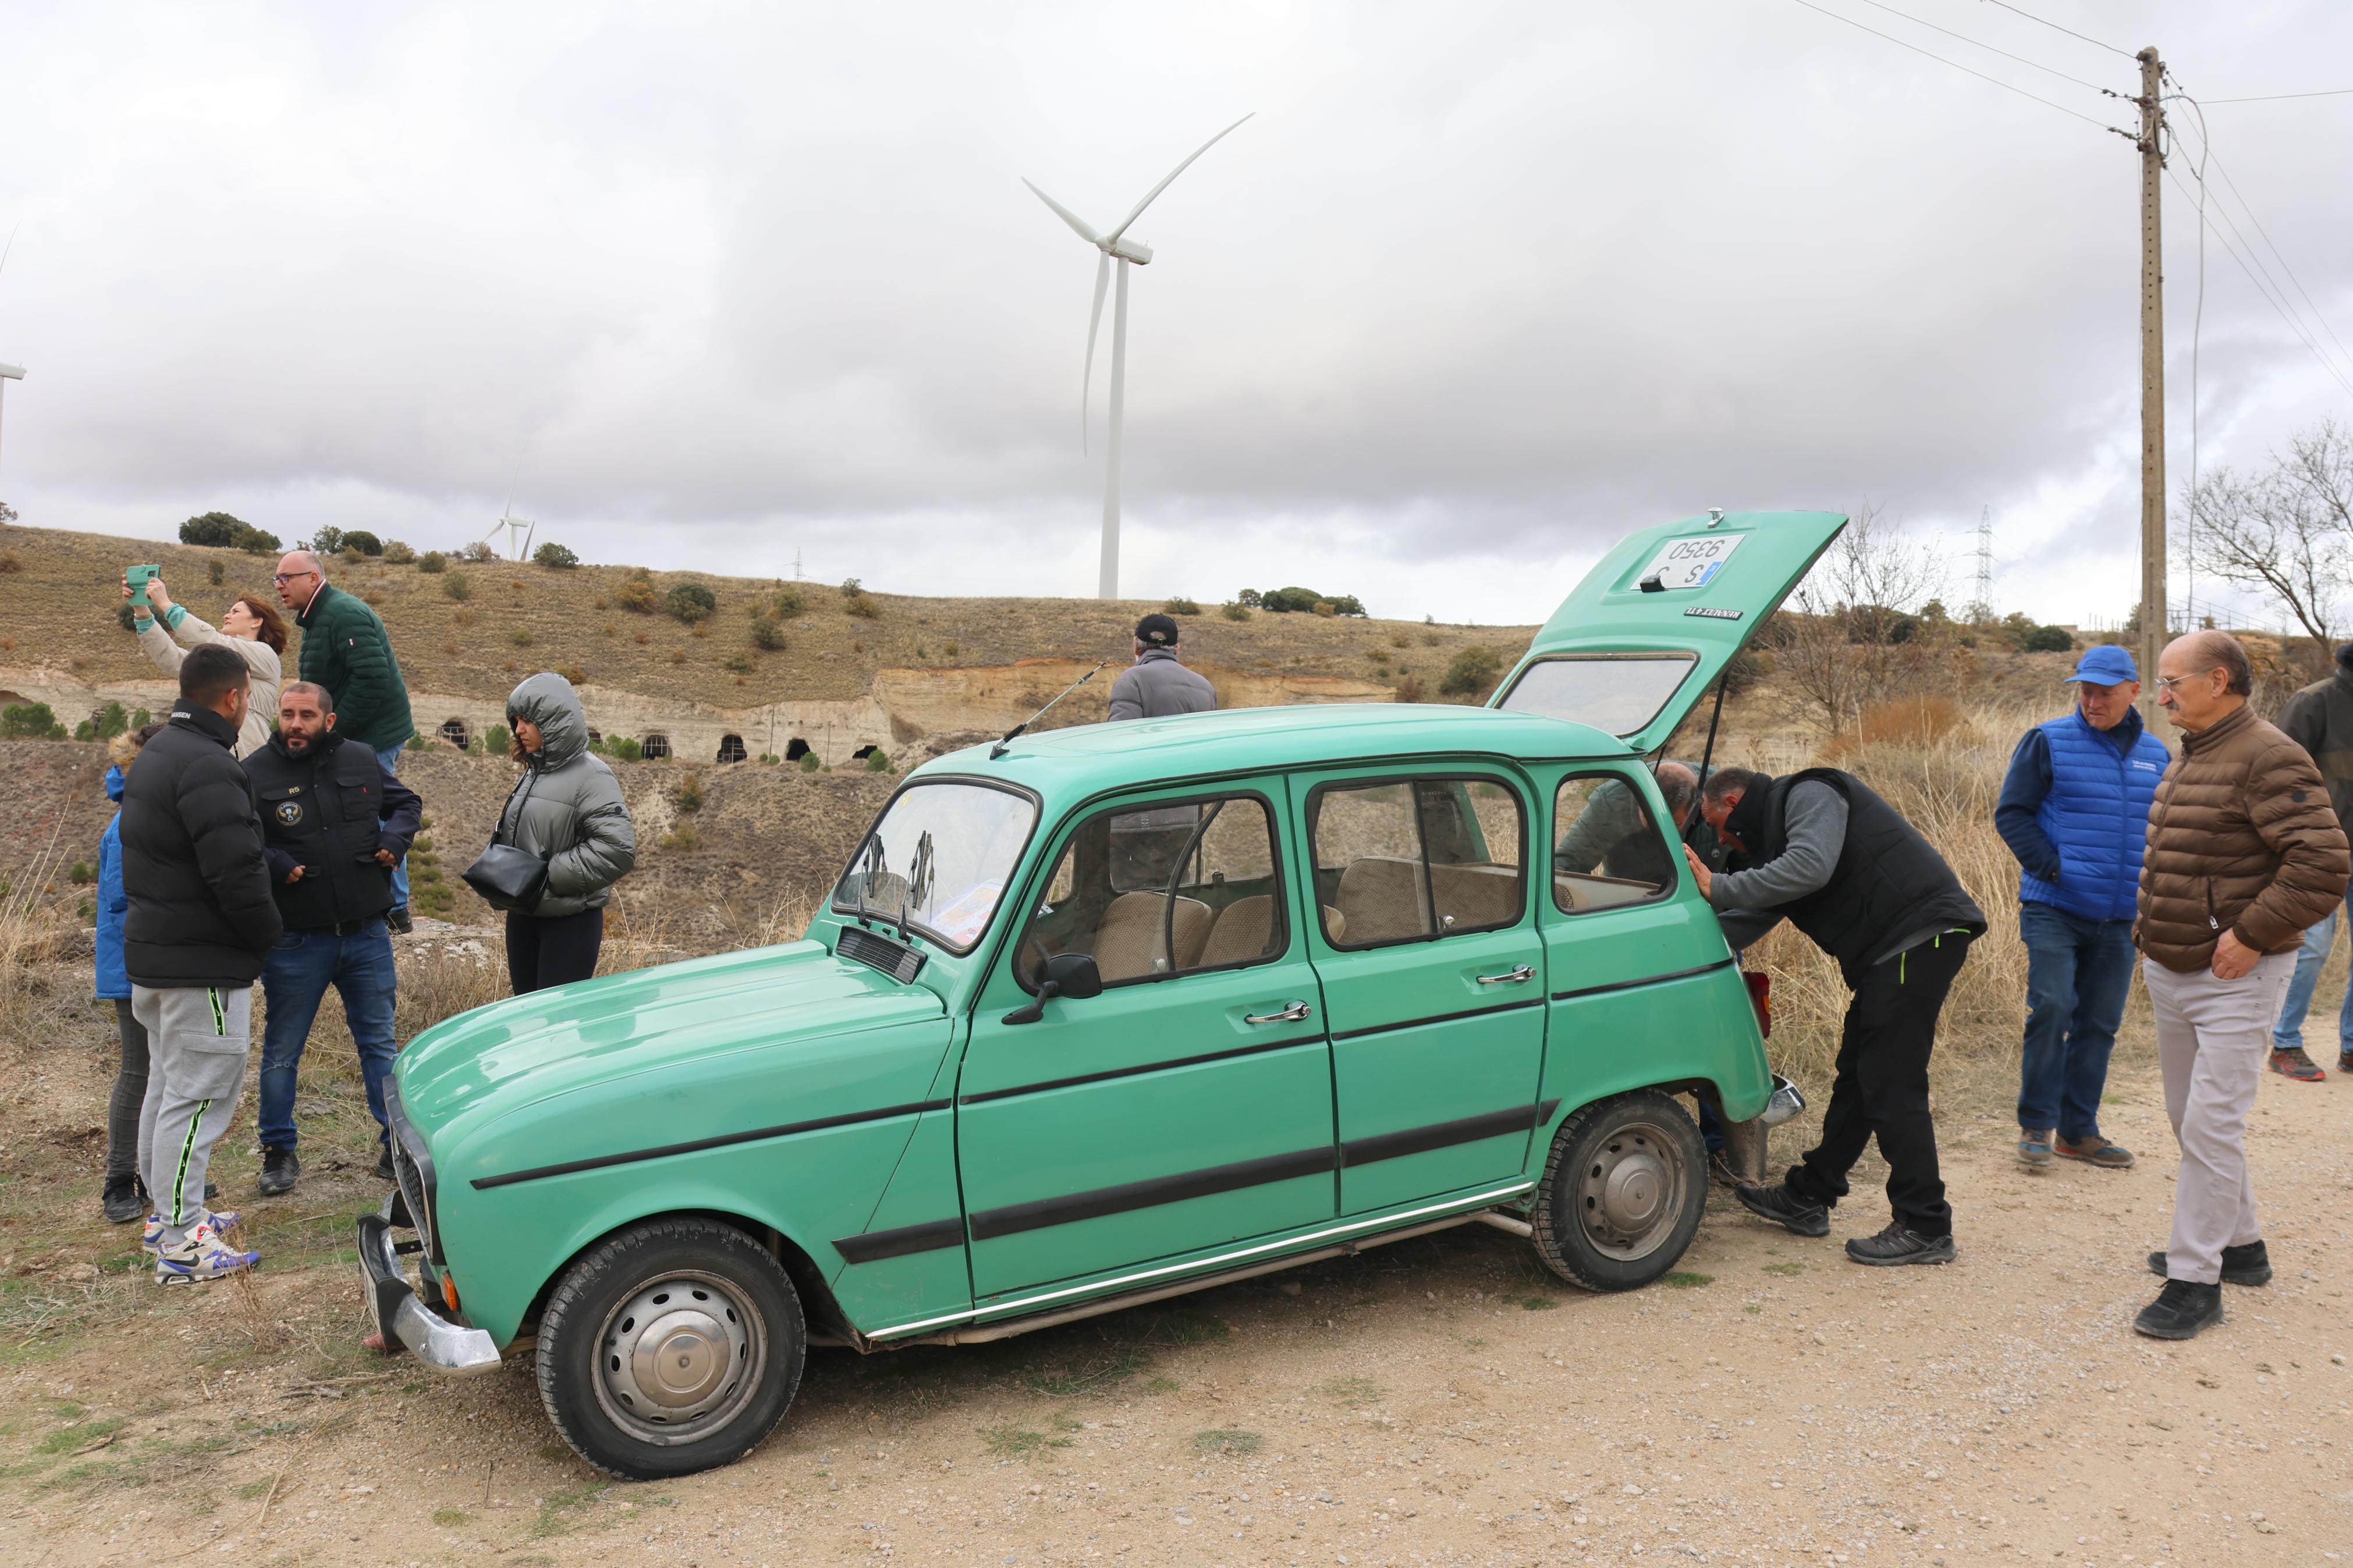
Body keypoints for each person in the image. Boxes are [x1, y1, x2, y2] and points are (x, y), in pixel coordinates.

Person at [2133, 631, 2349, 1340]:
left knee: (2210, 1124)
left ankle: (2195, 1281)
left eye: (2171, 682)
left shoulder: (2268, 754)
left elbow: (2321, 863)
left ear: (2217, 679)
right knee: (2187, 1121)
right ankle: (2242, 1245)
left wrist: (2250, 933)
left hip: (2237, 975)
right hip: (2172, 967)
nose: (2159, 696)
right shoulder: (2191, 753)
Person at [1685, 763, 1987, 1265]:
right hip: (1890, 952)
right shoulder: (1774, 848)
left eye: (1717, 826)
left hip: (1919, 933)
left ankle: (1926, 1223)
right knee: (1857, 1077)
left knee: (1891, 1081)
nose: (1721, 840)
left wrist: (1718, 886)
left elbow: (1808, 867)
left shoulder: (1809, 792)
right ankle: (1809, 1195)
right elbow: (1746, 916)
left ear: (1733, 804)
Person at [119, 643, 282, 1283]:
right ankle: (184, 1243)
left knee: (167, 1090)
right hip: (202, 964)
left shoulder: (158, 752)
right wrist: (268, 936)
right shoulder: (209, 766)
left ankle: (166, 1219)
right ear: (234, 697)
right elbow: (235, 870)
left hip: (158, 956)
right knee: (196, 1099)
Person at [1994, 645, 2171, 1169]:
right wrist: (2054, 868)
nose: (2092, 701)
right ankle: (2036, 1125)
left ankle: (2078, 1131)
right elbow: (2012, 814)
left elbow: (2161, 831)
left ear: (2133, 692)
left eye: (2104, 692)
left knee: (2100, 1022)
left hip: (2119, 916)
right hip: (2054, 906)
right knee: (2051, 1008)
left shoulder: (2156, 755)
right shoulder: (2047, 740)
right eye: (2085, 691)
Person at [247, 682, 423, 1194]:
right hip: (297, 943)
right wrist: (278, 863)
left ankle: (396, 1146)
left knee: (379, 1046)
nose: (294, 724)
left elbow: (407, 803)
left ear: (328, 720)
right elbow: (241, 836)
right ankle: (278, 1152)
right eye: (286, 715)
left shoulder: (362, 759)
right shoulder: (255, 772)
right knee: (282, 1050)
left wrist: (395, 839)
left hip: (367, 935)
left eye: (306, 715)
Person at [274, 549, 417, 930]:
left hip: (372, 735)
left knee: (375, 814)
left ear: (314, 578)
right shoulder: (320, 617)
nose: (279, 586)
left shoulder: (343, 613)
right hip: (357, 733)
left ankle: (395, 909)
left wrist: (334, 732)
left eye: (287, 577)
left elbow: (372, 679)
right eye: (277, 579)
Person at [495, 673, 636, 994]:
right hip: (524, 918)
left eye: (528, 721)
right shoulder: (534, 773)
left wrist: (549, 876)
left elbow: (618, 849)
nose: (519, 730)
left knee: (556, 1027)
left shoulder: (593, 776)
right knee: (528, 1018)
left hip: (569, 924)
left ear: (554, 721)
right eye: (516, 721)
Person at [2270, 640, 2353, 1079]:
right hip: (2316, 850)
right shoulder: (2313, 702)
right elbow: (2275, 775)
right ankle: (2284, 1042)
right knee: (2312, 947)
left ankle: (2351, 1046)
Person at [95, 722, 167, 1224]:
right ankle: (120, 1179)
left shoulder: (148, 814)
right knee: (140, 1071)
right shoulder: (129, 824)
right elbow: (129, 899)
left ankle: (156, 1170)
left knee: (167, 1073)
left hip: (155, 959)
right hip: (134, 964)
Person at [120, 573, 286, 758]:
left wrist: (165, 604)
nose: (227, 615)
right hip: (211, 754)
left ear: (257, 621)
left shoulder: (266, 655)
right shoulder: (221, 659)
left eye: (236, 612)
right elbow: (173, 659)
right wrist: (142, 611)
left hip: (250, 759)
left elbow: (209, 639)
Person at [1107, 613, 1216, 721]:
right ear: (1177, 649)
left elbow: (1122, 735)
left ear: (1136, 645)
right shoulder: (1206, 687)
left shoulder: (1131, 680)